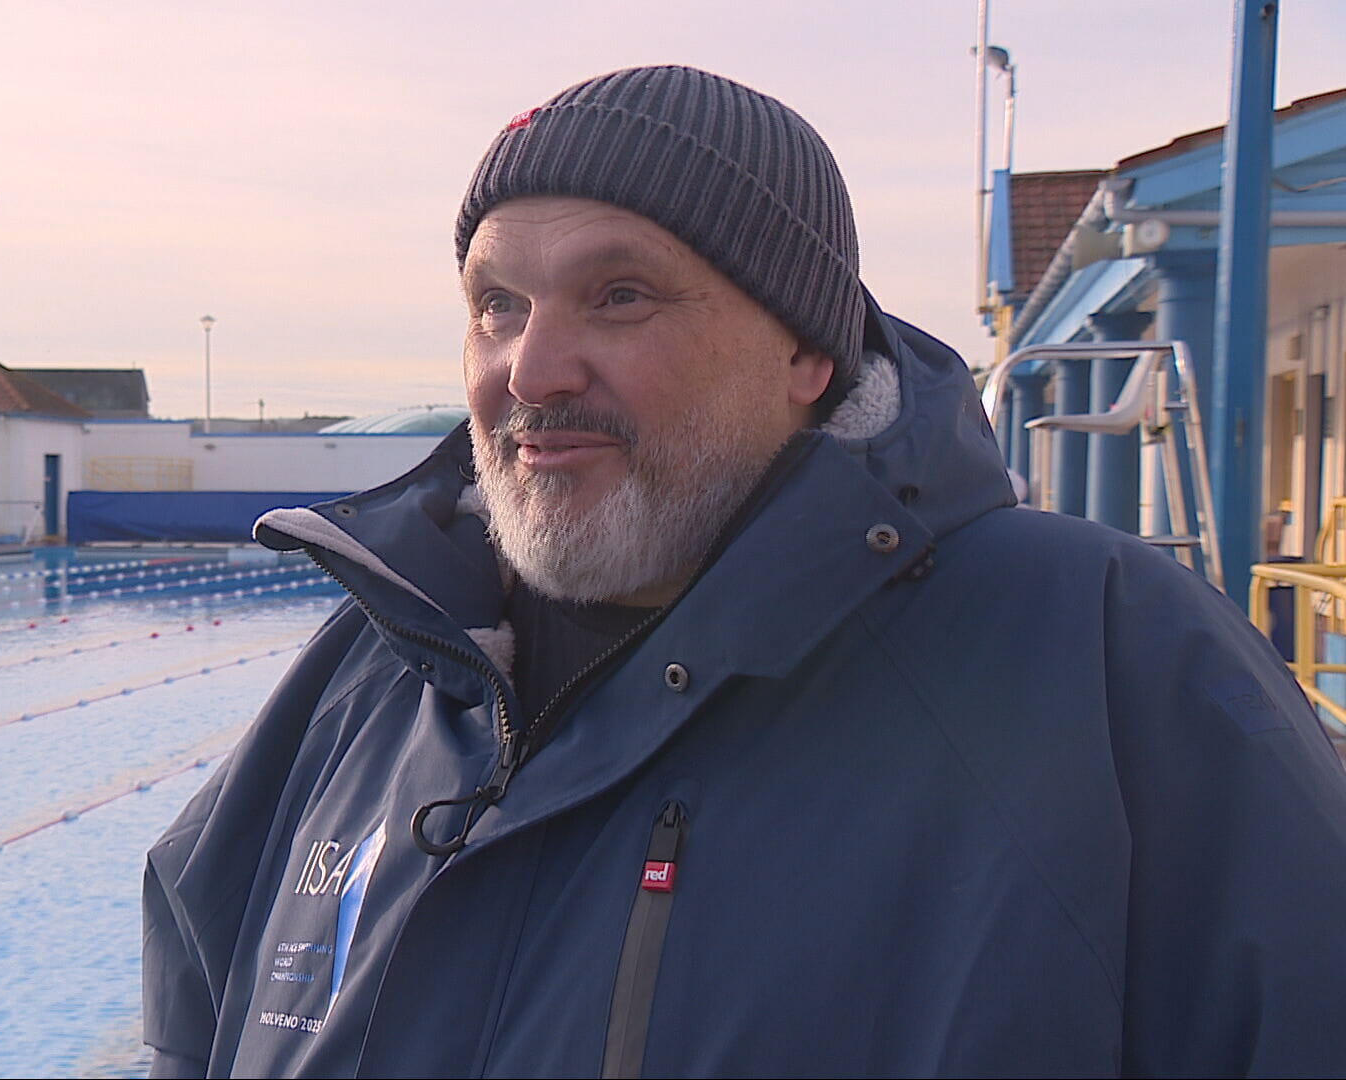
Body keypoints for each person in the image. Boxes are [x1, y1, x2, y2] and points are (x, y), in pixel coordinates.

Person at [141, 65, 1346, 1077]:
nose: (533, 369)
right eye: (496, 305)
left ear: (807, 351)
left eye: (620, 297)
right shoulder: (375, 669)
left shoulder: (1099, 654)